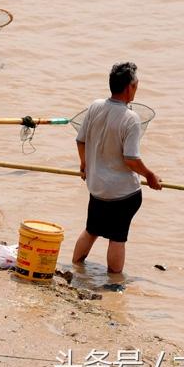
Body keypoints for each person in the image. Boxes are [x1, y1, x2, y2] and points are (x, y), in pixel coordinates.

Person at [72, 62, 162, 275]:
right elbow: (131, 159)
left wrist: (85, 166)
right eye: (136, 85)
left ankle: (76, 266)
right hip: (122, 194)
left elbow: (80, 141)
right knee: (117, 237)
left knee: (91, 230)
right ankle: (114, 282)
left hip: (97, 188)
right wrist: (150, 175)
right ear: (129, 88)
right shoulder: (131, 119)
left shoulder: (95, 106)